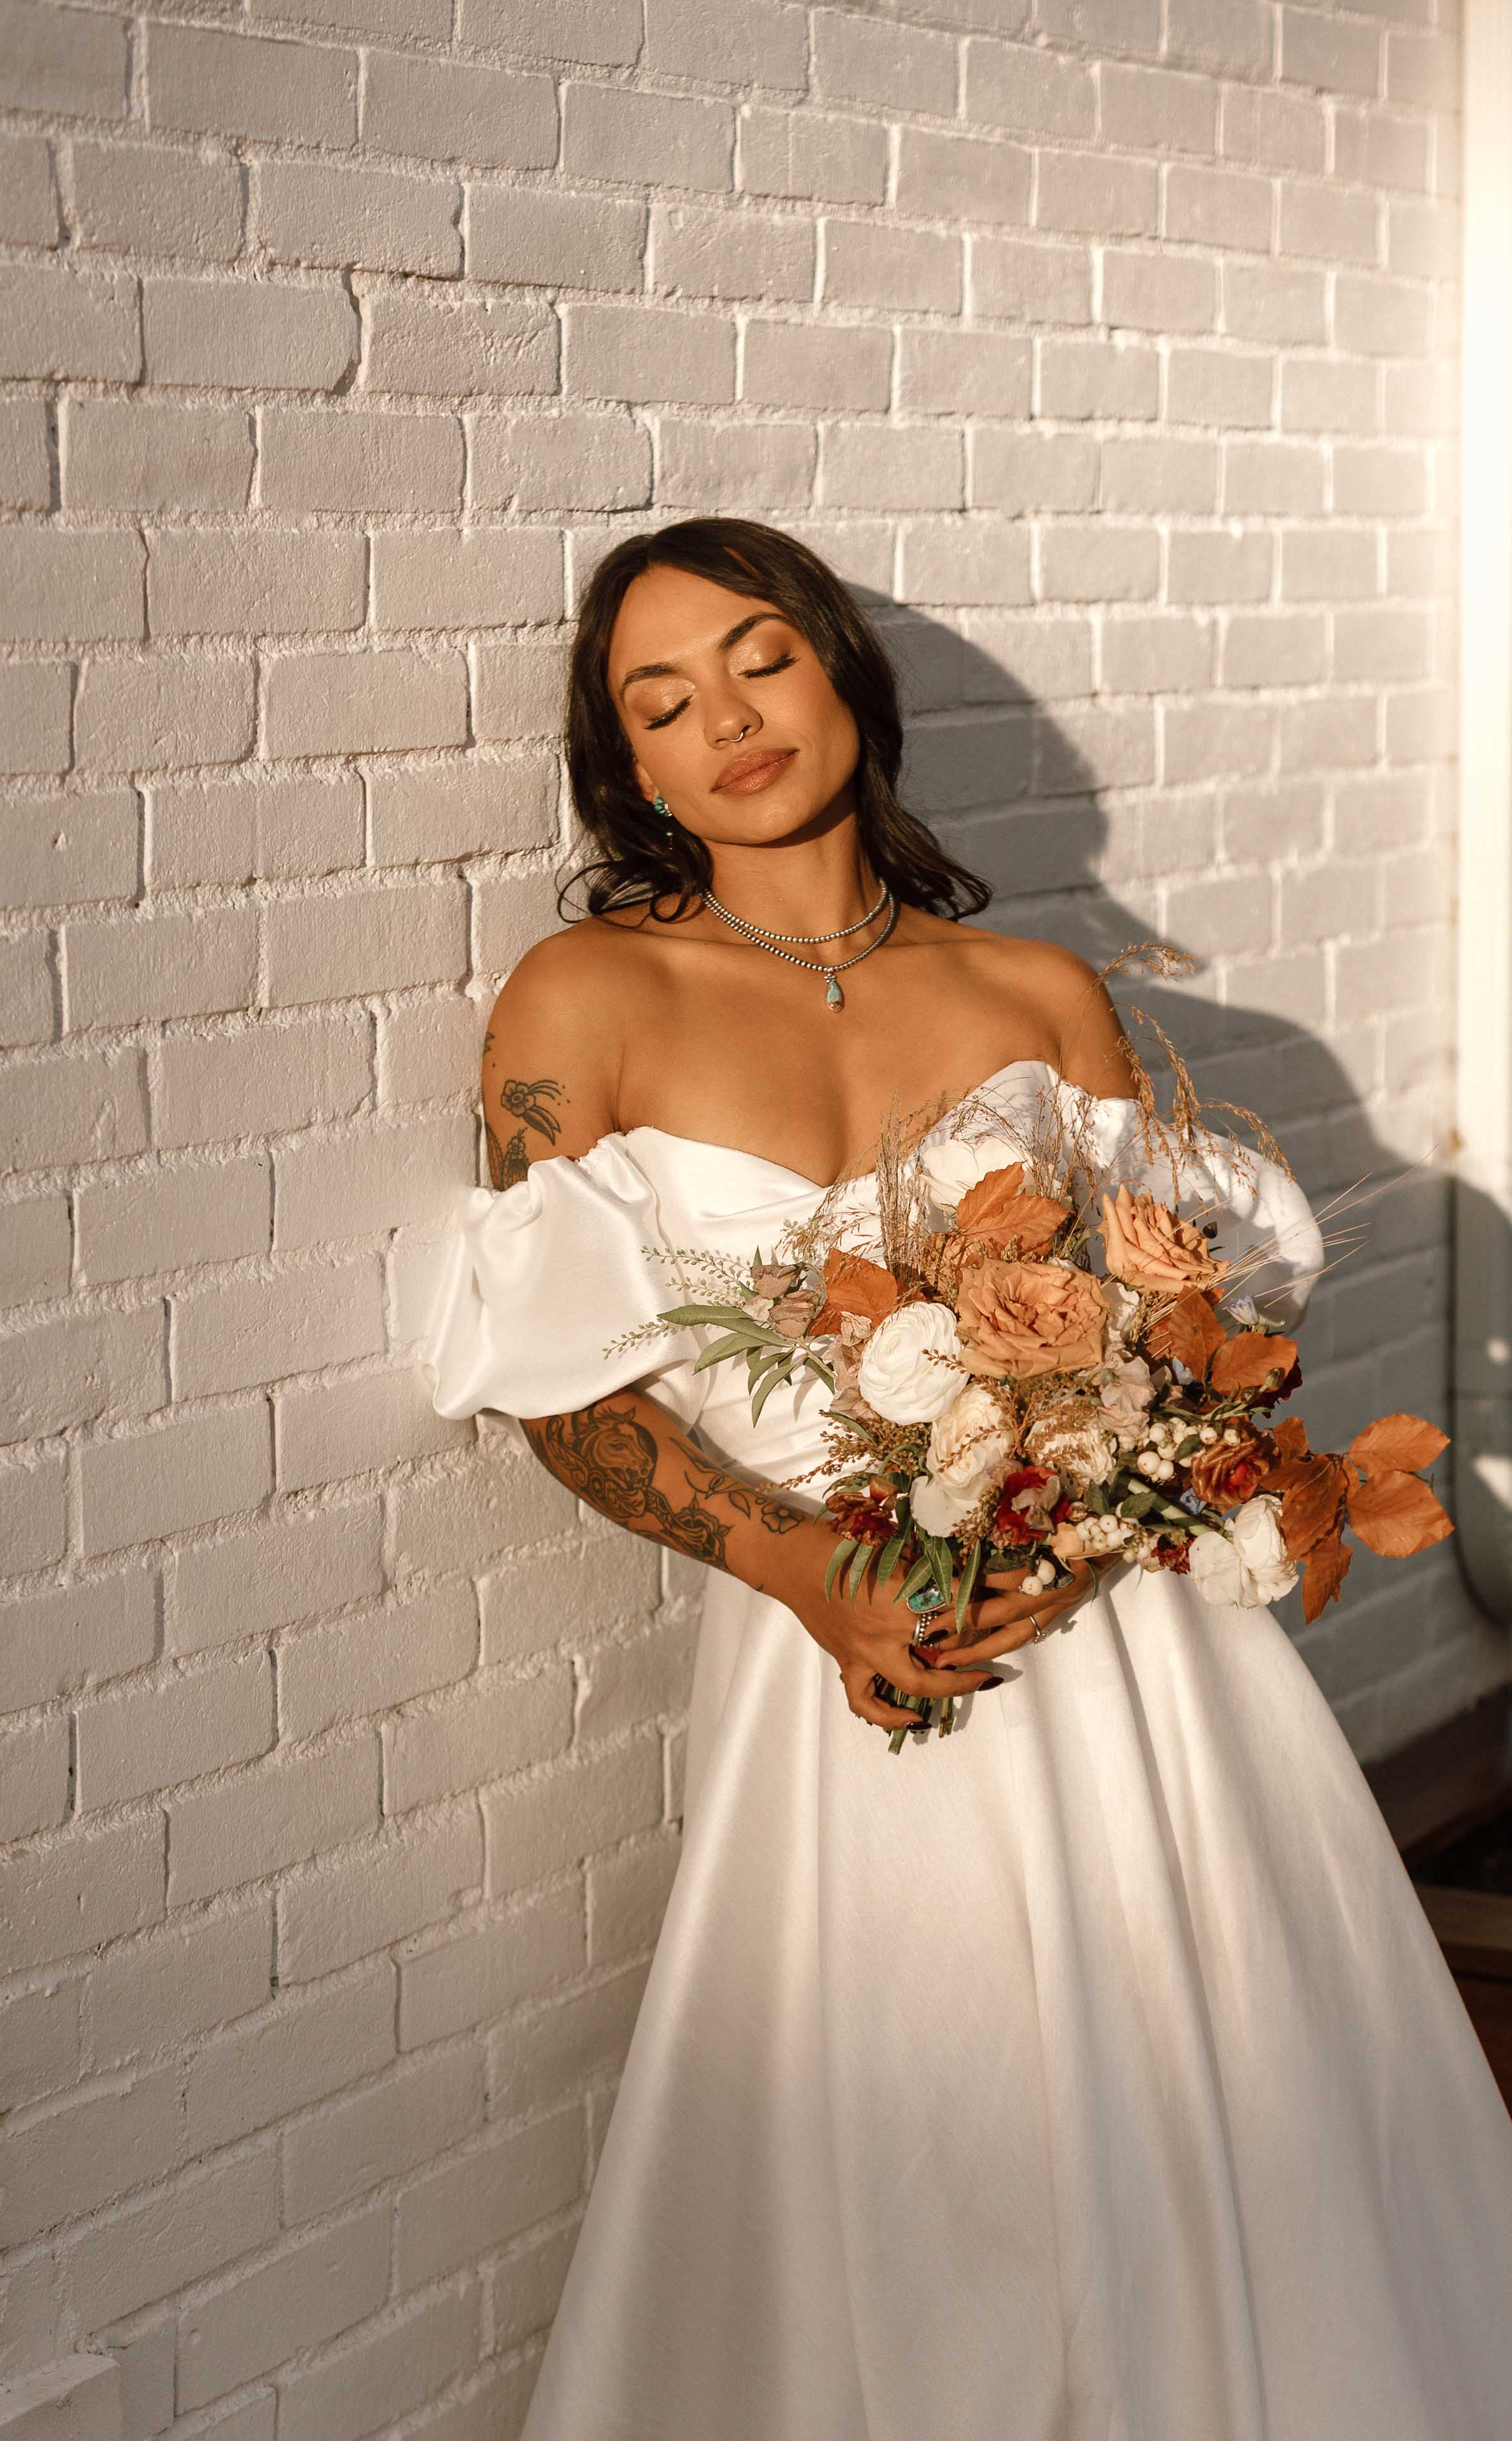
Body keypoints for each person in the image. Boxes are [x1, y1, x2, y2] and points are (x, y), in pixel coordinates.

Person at [422, 519, 1512, 2440]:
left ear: (843, 672)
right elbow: (561, 1388)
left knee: (1215, 2106)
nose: (726, 722)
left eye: (760, 659)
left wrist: (1106, 1506)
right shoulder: (584, 1001)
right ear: (634, 773)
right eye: (662, 705)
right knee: (916, 2156)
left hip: (1133, 1659)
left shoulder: (1039, 996)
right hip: (842, 1653)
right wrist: (813, 1575)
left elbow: (1193, 1345)